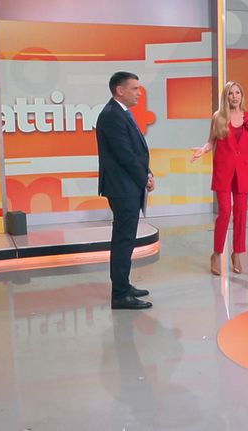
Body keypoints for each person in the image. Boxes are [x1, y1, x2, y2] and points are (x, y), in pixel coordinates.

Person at [190, 81, 248, 275]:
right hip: (223, 171)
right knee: (225, 212)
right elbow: (210, 142)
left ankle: (237, 253)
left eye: (237, 93)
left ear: (242, 95)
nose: (234, 97)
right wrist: (203, 150)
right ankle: (216, 253)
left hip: (242, 171)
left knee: (241, 214)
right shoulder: (218, 117)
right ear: (226, 96)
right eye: (231, 93)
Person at [96, 71, 155, 309]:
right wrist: (144, 178)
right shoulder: (111, 115)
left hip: (128, 184)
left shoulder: (120, 112)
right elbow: (125, 155)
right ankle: (120, 295)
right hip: (122, 187)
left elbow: (135, 152)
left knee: (126, 239)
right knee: (123, 240)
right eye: (134, 88)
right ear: (120, 90)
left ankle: (123, 285)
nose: (139, 93)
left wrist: (147, 173)